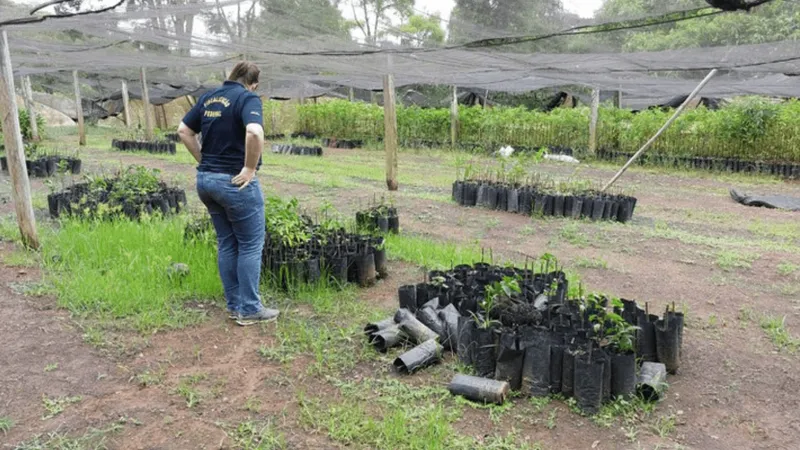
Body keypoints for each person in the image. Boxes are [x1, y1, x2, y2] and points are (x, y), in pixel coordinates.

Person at [177, 61, 279, 326]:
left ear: (231, 76)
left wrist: (203, 160)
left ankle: (235, 305)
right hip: (235, 183)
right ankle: (250, 309)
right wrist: (249, 167)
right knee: (250, 244)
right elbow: (254, 132)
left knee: (227, 242)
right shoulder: (247, 98)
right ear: (253, 82)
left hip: (206, 182)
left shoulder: (209, 98)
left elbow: (183, 131)